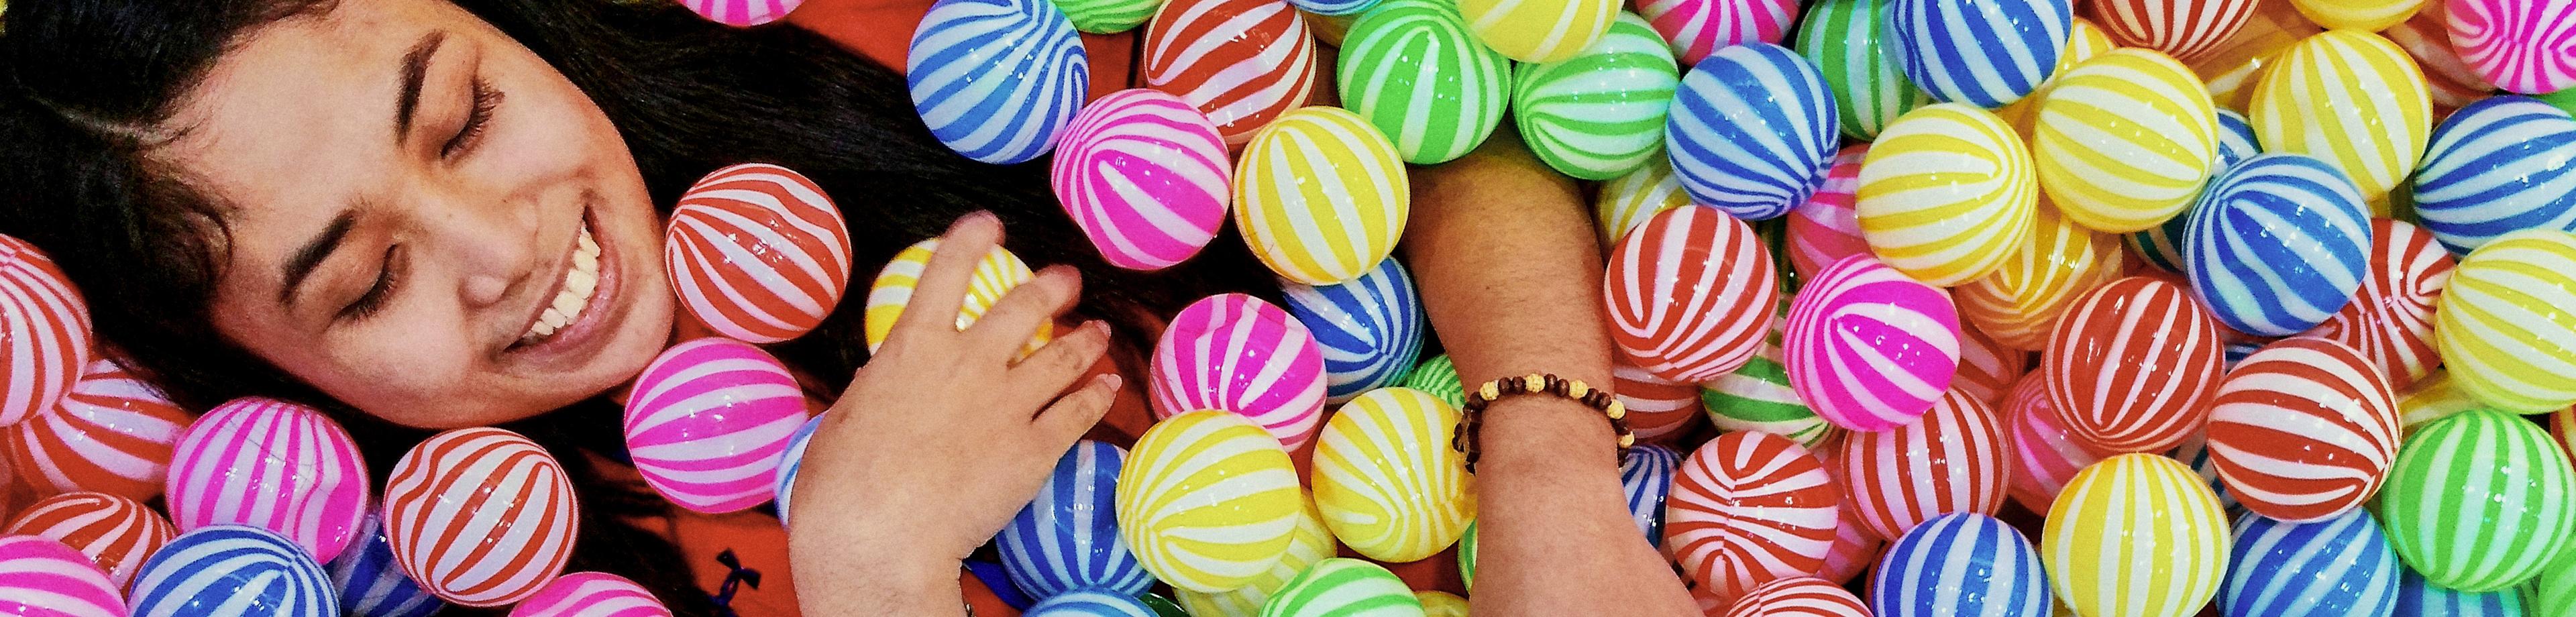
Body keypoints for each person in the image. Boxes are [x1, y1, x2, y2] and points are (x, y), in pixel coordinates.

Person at [0, 0, 1700, 614]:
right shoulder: (475, 564)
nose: (499, 245)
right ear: (244, 378)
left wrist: (1546, 476)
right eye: (365, 280)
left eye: (464, 110)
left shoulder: (922, 50)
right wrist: (871, 567)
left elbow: (1458, 108)